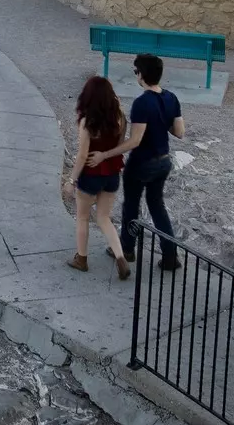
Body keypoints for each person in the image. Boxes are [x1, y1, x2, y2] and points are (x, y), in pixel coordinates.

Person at [115, 53, 185, 271]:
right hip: (163, 161)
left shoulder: (141, 103)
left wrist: (109, 152)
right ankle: (170, 255)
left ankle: (127, 248)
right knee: (157, 207)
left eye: (136, 71)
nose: (136, 75)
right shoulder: (171, 98)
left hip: (141, 164)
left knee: (131, 206)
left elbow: (135, 141)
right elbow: (179, 132)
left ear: (142, 75)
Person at [64, 76, 131, 279]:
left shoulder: (87, 121)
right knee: (104, 218)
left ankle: (81, 259)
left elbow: (83, 155)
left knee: (83, 217)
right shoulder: (120, 117)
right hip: (112, 172)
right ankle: (120, 257)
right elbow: (119, 144)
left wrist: (70, 180)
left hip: (91, 174)